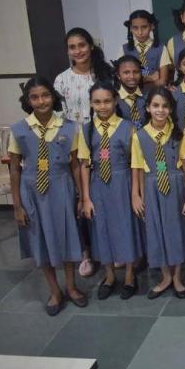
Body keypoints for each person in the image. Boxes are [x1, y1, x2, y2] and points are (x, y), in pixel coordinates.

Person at [9, 77, 87, 315]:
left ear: (53, 97)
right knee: (41, 239)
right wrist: (17, 205)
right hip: (32, 191)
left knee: (66, 237)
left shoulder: (70, 127)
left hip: (61, 188)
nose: (41, 101)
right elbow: (14, 168)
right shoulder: (19, 130)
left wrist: (82, 196)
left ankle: (72, 287)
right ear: (28, 101)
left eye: (45, 95)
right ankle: (54, 291)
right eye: (34, 97)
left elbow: (75, 164)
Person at [54, 28, 112, 278]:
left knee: (103, 196)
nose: (78, 51)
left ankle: (108, 248)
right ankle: (86, 253)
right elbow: (58, 116)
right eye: (72, 47)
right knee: (80, 198)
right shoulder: (61, 80)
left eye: (82, 45)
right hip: (75, 147)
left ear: (90, 46)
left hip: (102, 140)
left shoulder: (104, 73)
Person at [131, 87, 185, 299]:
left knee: (175, 231)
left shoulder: (178, 134)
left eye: (165, 106)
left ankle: (177, 277)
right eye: (156, 106)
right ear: (148, 108)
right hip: (151, 188)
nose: (160, 110)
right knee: (157, 231)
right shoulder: (139, 136)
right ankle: (165, 276)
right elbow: (138, 168)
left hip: (176, 187)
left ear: (171, 109)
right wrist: (137, 195)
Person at [79, 80, 144, 300]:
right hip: (98, 185)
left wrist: (135, 193)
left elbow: (135, 163)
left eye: (107, 101)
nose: (103, 106)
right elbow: (84, 164)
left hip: (122, 182)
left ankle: (128, 275)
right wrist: (86, 197)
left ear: (115, 101)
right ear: (91, 103)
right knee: (101, 229)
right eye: (97, 102)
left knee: (126, 227)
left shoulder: (128, 127)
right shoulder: (86, 129)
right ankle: (108, 276)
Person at [121, 10, 166, 90]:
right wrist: (150, 78)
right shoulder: (124, 49)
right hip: (132, 95)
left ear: (152, 26)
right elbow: (121, 79)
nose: (140, 32)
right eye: (135, 28)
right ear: (130, 28)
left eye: (144, 27)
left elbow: (162, 81)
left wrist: (135, 81)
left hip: (155, 95)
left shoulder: (161, 48)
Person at [114, 56, 146, 129]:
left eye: (136, 72)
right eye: (126, 72)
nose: (132, 76)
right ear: (118, 75)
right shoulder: (113, 97)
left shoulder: (148, 95)